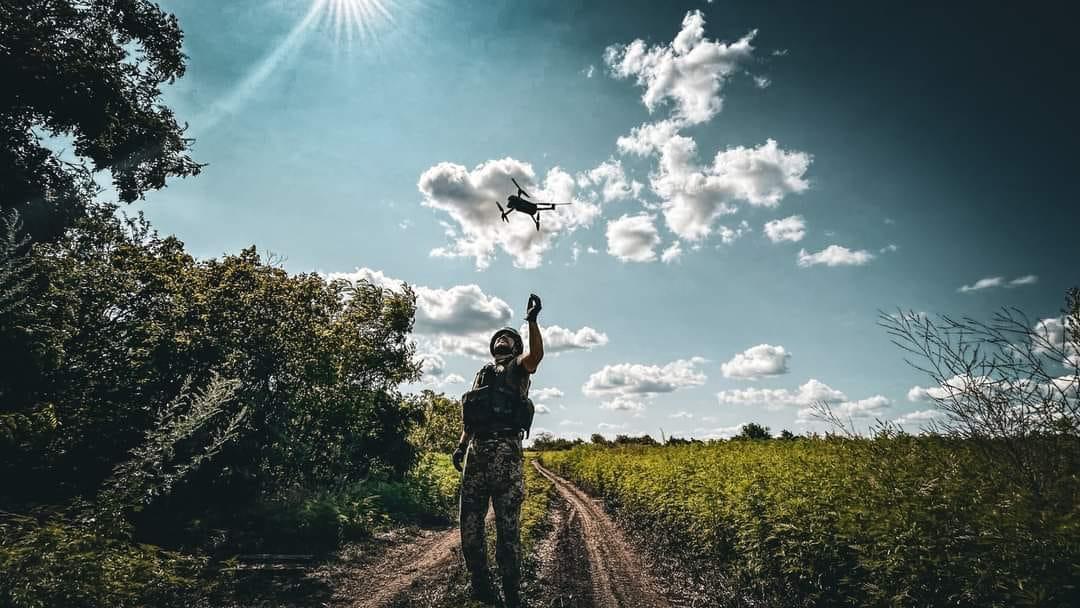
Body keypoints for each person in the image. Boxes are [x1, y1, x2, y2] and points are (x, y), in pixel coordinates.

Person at [453, 293, 543, 607]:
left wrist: (531, 321)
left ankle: (512, 592)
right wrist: (461, 446)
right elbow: (473, 416)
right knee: (470, 522)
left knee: (507, 527)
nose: (502, 339)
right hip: (476, 453)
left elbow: (536, 357)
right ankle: (481, 586)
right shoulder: (482, 375)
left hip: (507, 450)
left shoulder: (519, 367)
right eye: (499, 337)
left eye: (509, 337)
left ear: (516, 347)